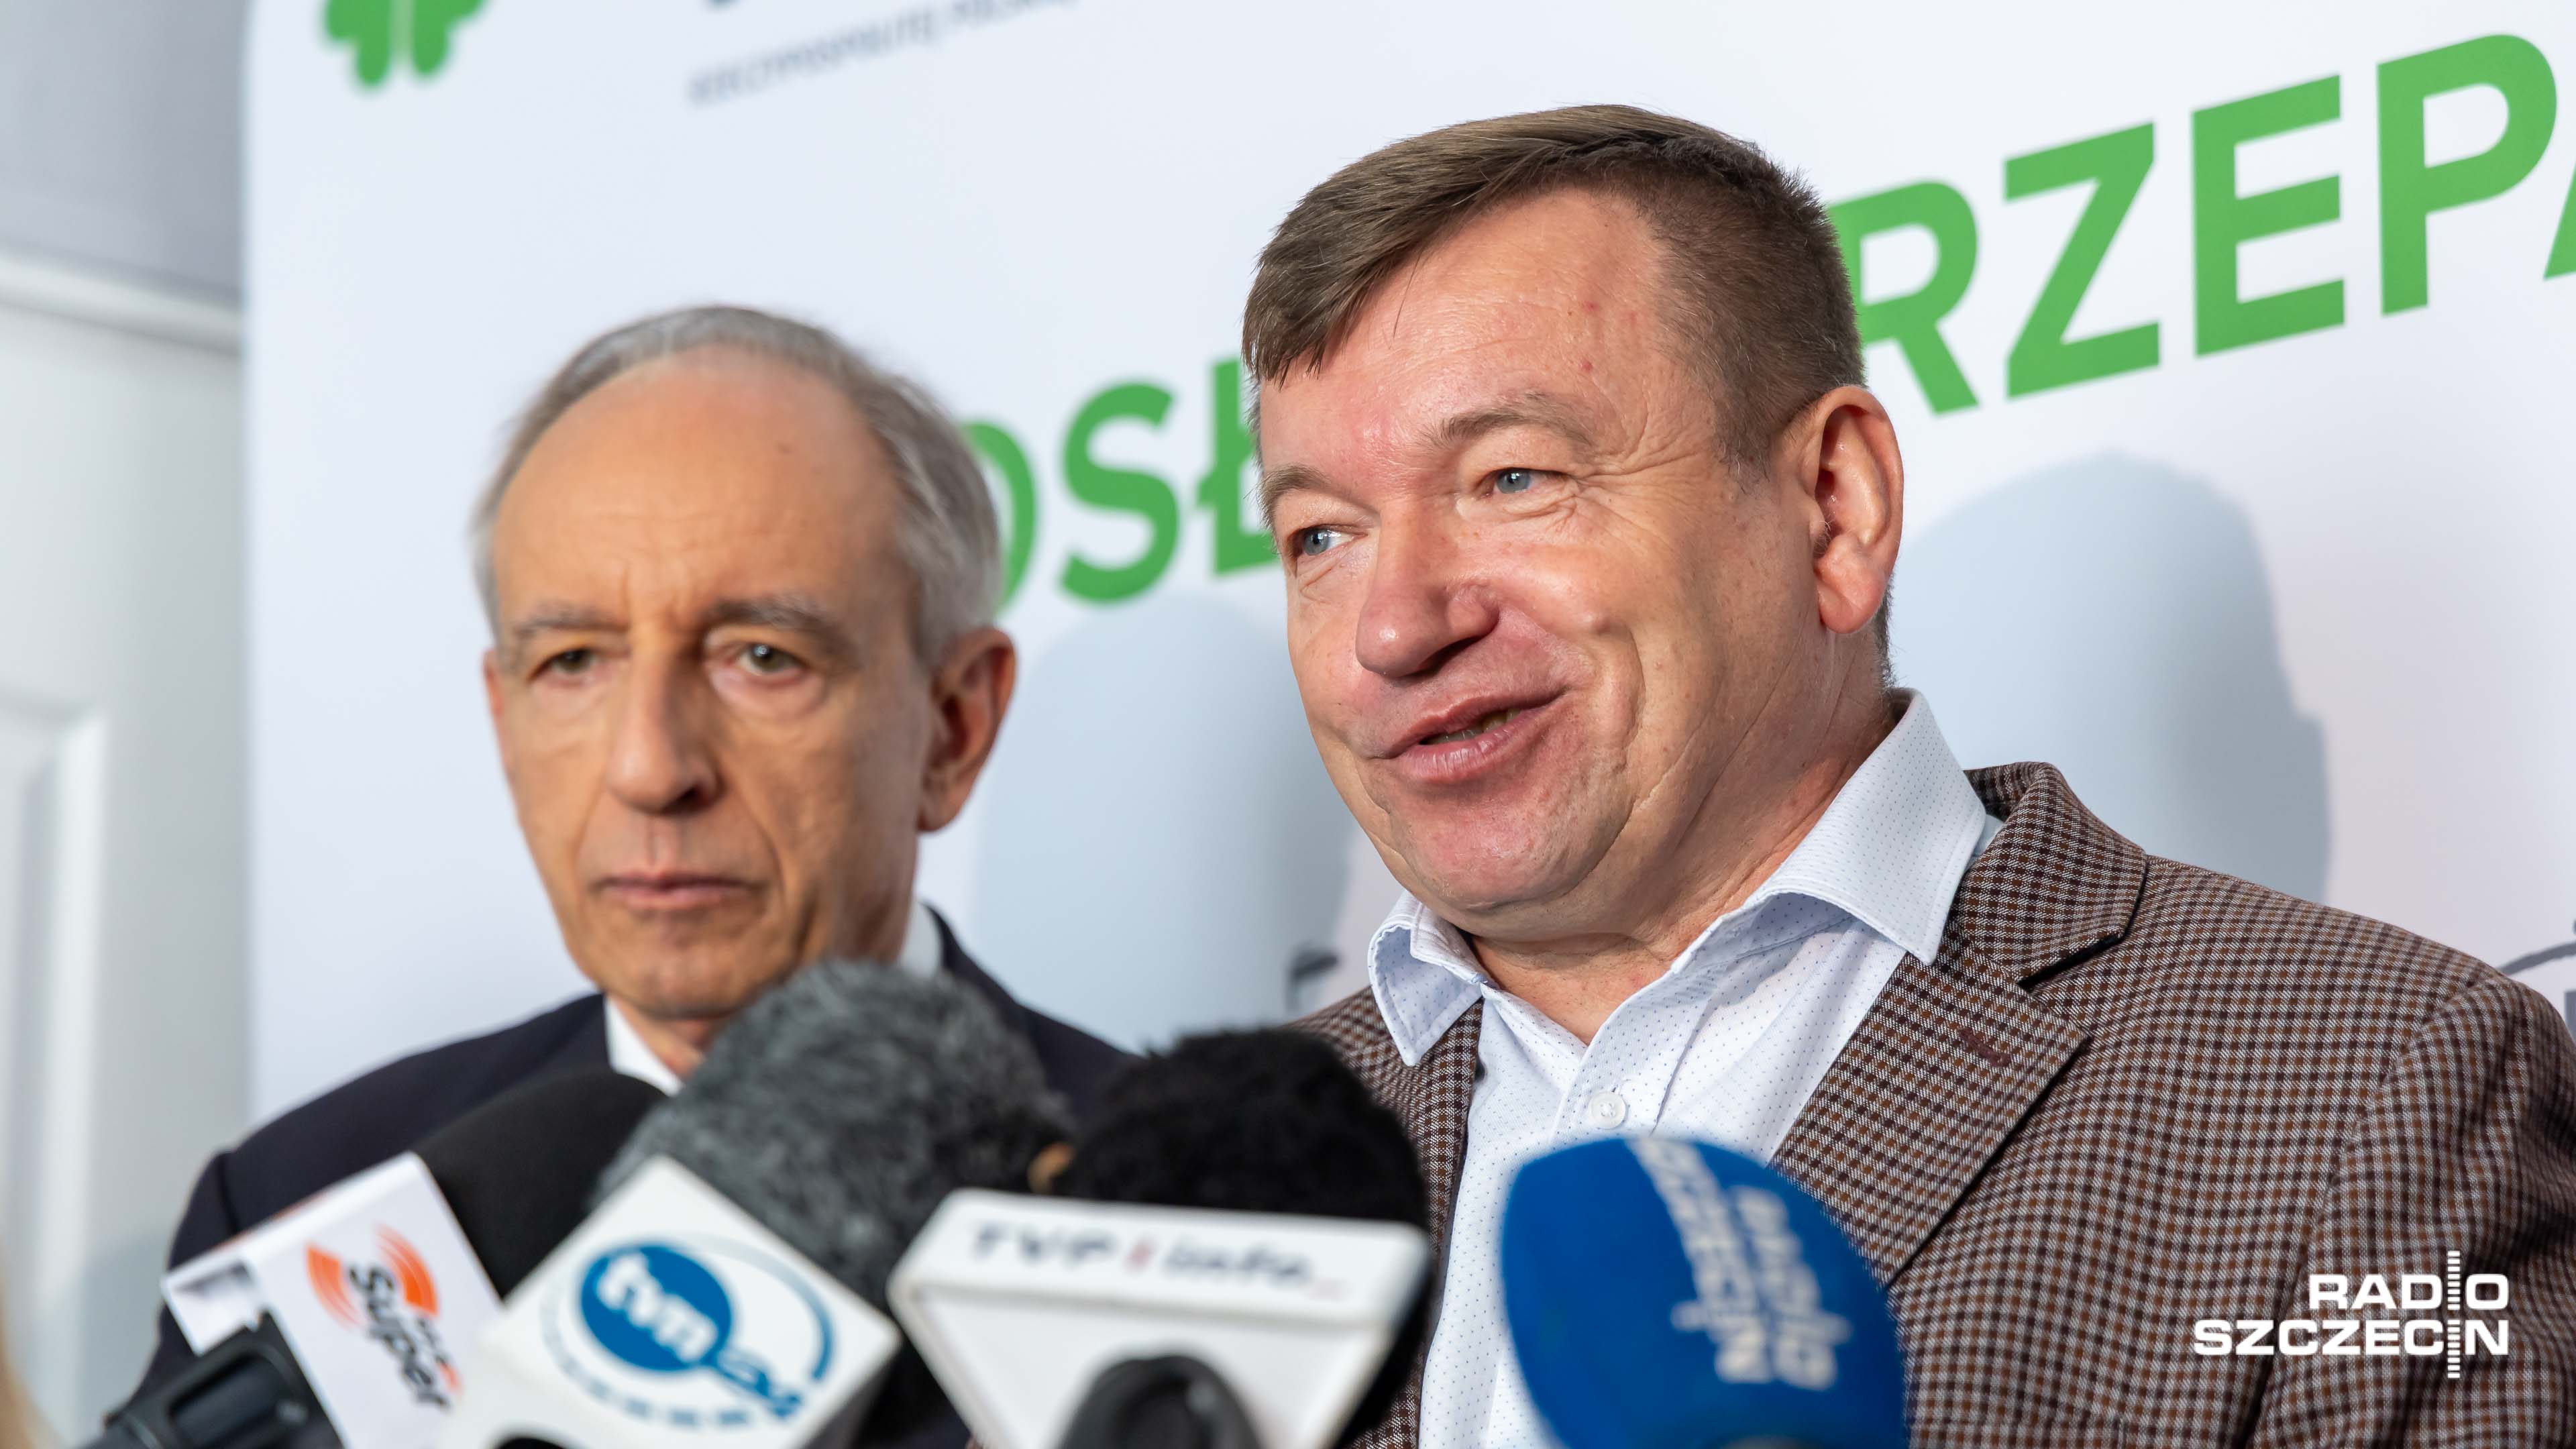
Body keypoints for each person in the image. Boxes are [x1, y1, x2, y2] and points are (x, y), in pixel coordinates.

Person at [1250, 107, 2576, 1446]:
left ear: (1836, 507)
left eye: (1512, 478)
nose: (1393, 628)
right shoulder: (1221, 1176)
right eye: (1322, 537)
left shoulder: (2370, 1087)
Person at [135, 306, 1126, 1400]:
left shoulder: (1156, 1213)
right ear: (502, 719)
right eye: (572, 663)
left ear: (953, 727)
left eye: (762, 658)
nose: (651, 768)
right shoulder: (305, 1197)